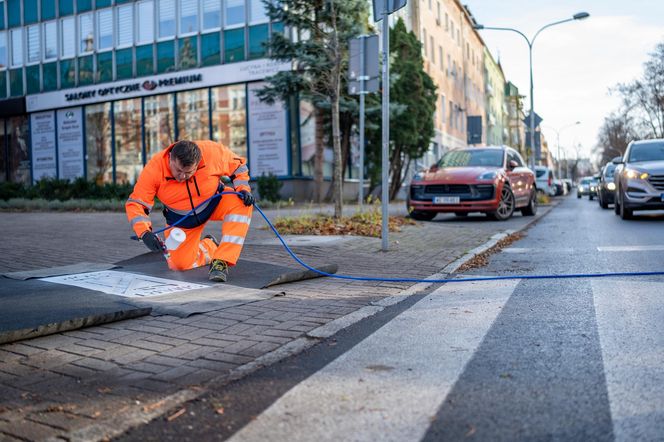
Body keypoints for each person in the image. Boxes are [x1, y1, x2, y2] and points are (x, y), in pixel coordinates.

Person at [125, 140, 254, 282]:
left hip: (214, 202)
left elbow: (238, 166)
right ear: (170, 159)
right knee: (179, 265)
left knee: (241, 203)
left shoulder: (212, 152)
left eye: (189, 172)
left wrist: (243, 189)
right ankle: (209, 246)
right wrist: (144, 233)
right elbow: (136, 203)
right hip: (183, 220)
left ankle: (222, 261)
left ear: (198, 164)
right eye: (178, 171)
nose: (182, 177)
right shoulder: (154, 169)